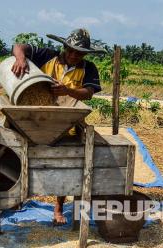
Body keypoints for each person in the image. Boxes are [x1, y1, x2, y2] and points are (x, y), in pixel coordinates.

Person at [11, 28, 106, 225]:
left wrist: (68, 90)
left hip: (66, 122)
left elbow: (88, 93)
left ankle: (59, 207)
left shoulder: (88, 68)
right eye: (70, 50)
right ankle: (14, 197)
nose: (72, 55)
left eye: (78, 53)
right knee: (19, 154)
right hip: (35, 116)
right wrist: (20, 59)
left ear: (85, 54)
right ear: (64, 47)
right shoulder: (47, 56)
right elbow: (19, 47)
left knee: (67, 165)